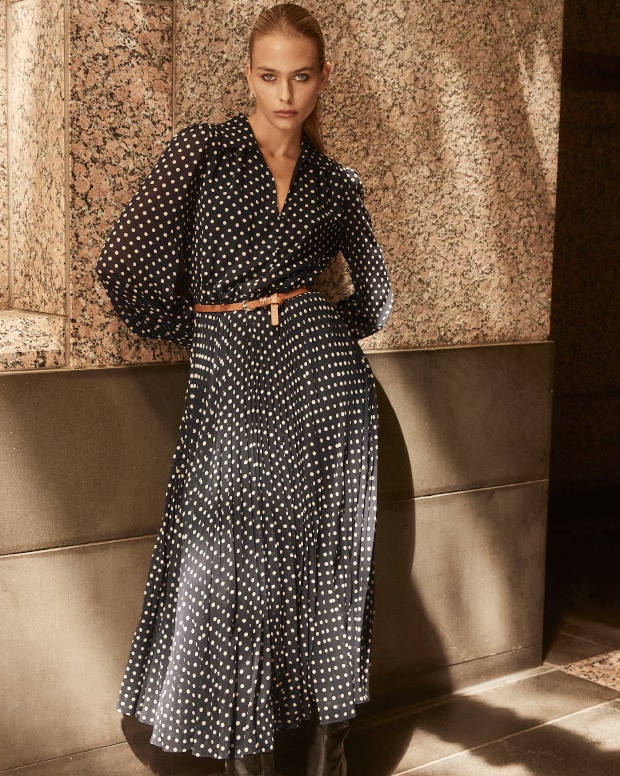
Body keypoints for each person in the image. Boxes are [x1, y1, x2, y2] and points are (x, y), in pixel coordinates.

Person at [97, 4, 392, 774]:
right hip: (234, 378)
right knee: (235, 561)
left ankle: (331, 744)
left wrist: (309, 324)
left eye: (300, 77)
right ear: (247, 76)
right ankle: (248, 754)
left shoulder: (336, 182)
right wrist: (205, 326)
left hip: (328, 394)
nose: (284, 94)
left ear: (322, 79)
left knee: (330, 562)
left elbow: (377, 298)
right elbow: (124, 263)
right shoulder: (205, 152)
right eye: (269, 76)